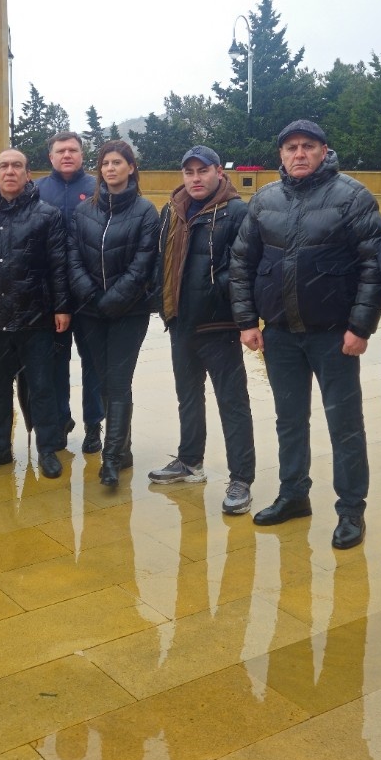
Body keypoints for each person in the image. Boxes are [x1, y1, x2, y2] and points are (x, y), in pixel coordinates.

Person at [231, 118, 381, 550]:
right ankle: (293, 494)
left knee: (345, 425)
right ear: (281, 155)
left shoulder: (351, 196)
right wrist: (247, 321)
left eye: (308, 146)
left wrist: (360, 327)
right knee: (289, 420)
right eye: (291, 147)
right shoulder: (264, 200)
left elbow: (373, 265)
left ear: (323, 150)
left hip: (334, 336)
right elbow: (242, 262)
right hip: (281, 335)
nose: (299, 154)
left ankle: (351, 509)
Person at [149, 145, 255, 516]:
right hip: (180, 322)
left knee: (232, 402)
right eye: (189, 172)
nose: (196, 178)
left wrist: (216, 292)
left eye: (203, 171)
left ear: (218, 173)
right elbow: (162, 260)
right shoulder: (172, 210)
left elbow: (245, 266)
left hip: (218, 324)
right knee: (188, 397)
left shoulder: (236, 211)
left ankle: (241, 478)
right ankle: (190, 461)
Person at [0, 148, 70, 478]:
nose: (10, 171)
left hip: (36, 317)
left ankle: (47, 448)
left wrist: (62, 307)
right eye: (4, 166)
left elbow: (58, 266)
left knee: (41, 387)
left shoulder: (47, 215)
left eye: (17, 166)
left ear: (27, 174)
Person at [67, 140, 158, 487]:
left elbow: (143, 263)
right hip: (90, 311)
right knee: (104, 381)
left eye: (117, 162)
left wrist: (113, 301)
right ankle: (124, 448)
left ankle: (111, 457)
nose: (110, 169)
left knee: (119, 383)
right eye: (105, 163)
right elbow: (73, 257)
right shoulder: (83, 211)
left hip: (129, 313)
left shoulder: (145, 211)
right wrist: (92, 297)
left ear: (131, 168)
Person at [36, 130, 101, 452]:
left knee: (93, 362)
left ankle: (94, 425)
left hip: (88, 291)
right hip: (49, 294)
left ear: (81, 155)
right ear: (50, 157)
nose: (66, 155)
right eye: (60, 151)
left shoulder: (97, 188)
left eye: (72, 150)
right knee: (55, 363)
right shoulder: (36, 190)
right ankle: (61, 420)